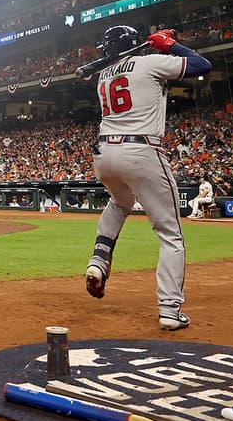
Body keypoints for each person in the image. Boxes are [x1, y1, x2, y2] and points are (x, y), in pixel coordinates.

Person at [81, 25, 211, 332]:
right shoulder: (150, 61)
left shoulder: (103, 74)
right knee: (171, 235)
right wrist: (169, 45)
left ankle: (98, 262)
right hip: (141, 149)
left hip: (104, 152)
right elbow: (202, 65)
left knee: (120, 201)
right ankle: (169, 309)